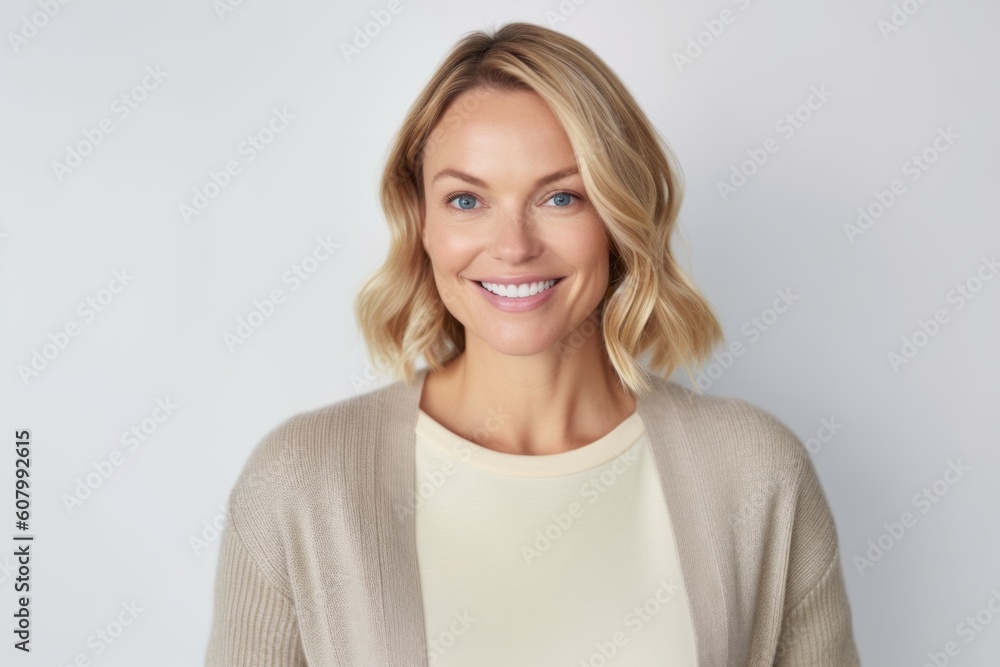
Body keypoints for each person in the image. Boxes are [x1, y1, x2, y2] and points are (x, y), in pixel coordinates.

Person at [205, 21, 861, 666]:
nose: (514, 246)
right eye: (467, 200)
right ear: (421, 222)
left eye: (561, 197)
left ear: (617, 216)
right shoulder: (301, 482)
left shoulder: (756, 473)